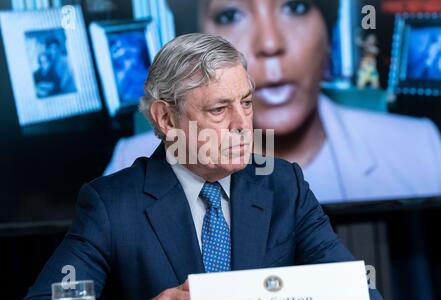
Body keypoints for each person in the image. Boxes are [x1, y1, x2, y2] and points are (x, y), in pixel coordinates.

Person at [25, 34, 381, 300]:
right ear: (166, 118)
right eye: (219, 109)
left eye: (246, 102)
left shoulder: (284, 184)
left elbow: (358, 291)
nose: (244, 125)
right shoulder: (111, 204)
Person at [104, 0, 441, 204]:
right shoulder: (132, 164)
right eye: (231, 15)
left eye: (295, 6)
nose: (270, 42)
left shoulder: (419, 148)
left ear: (329, 30)